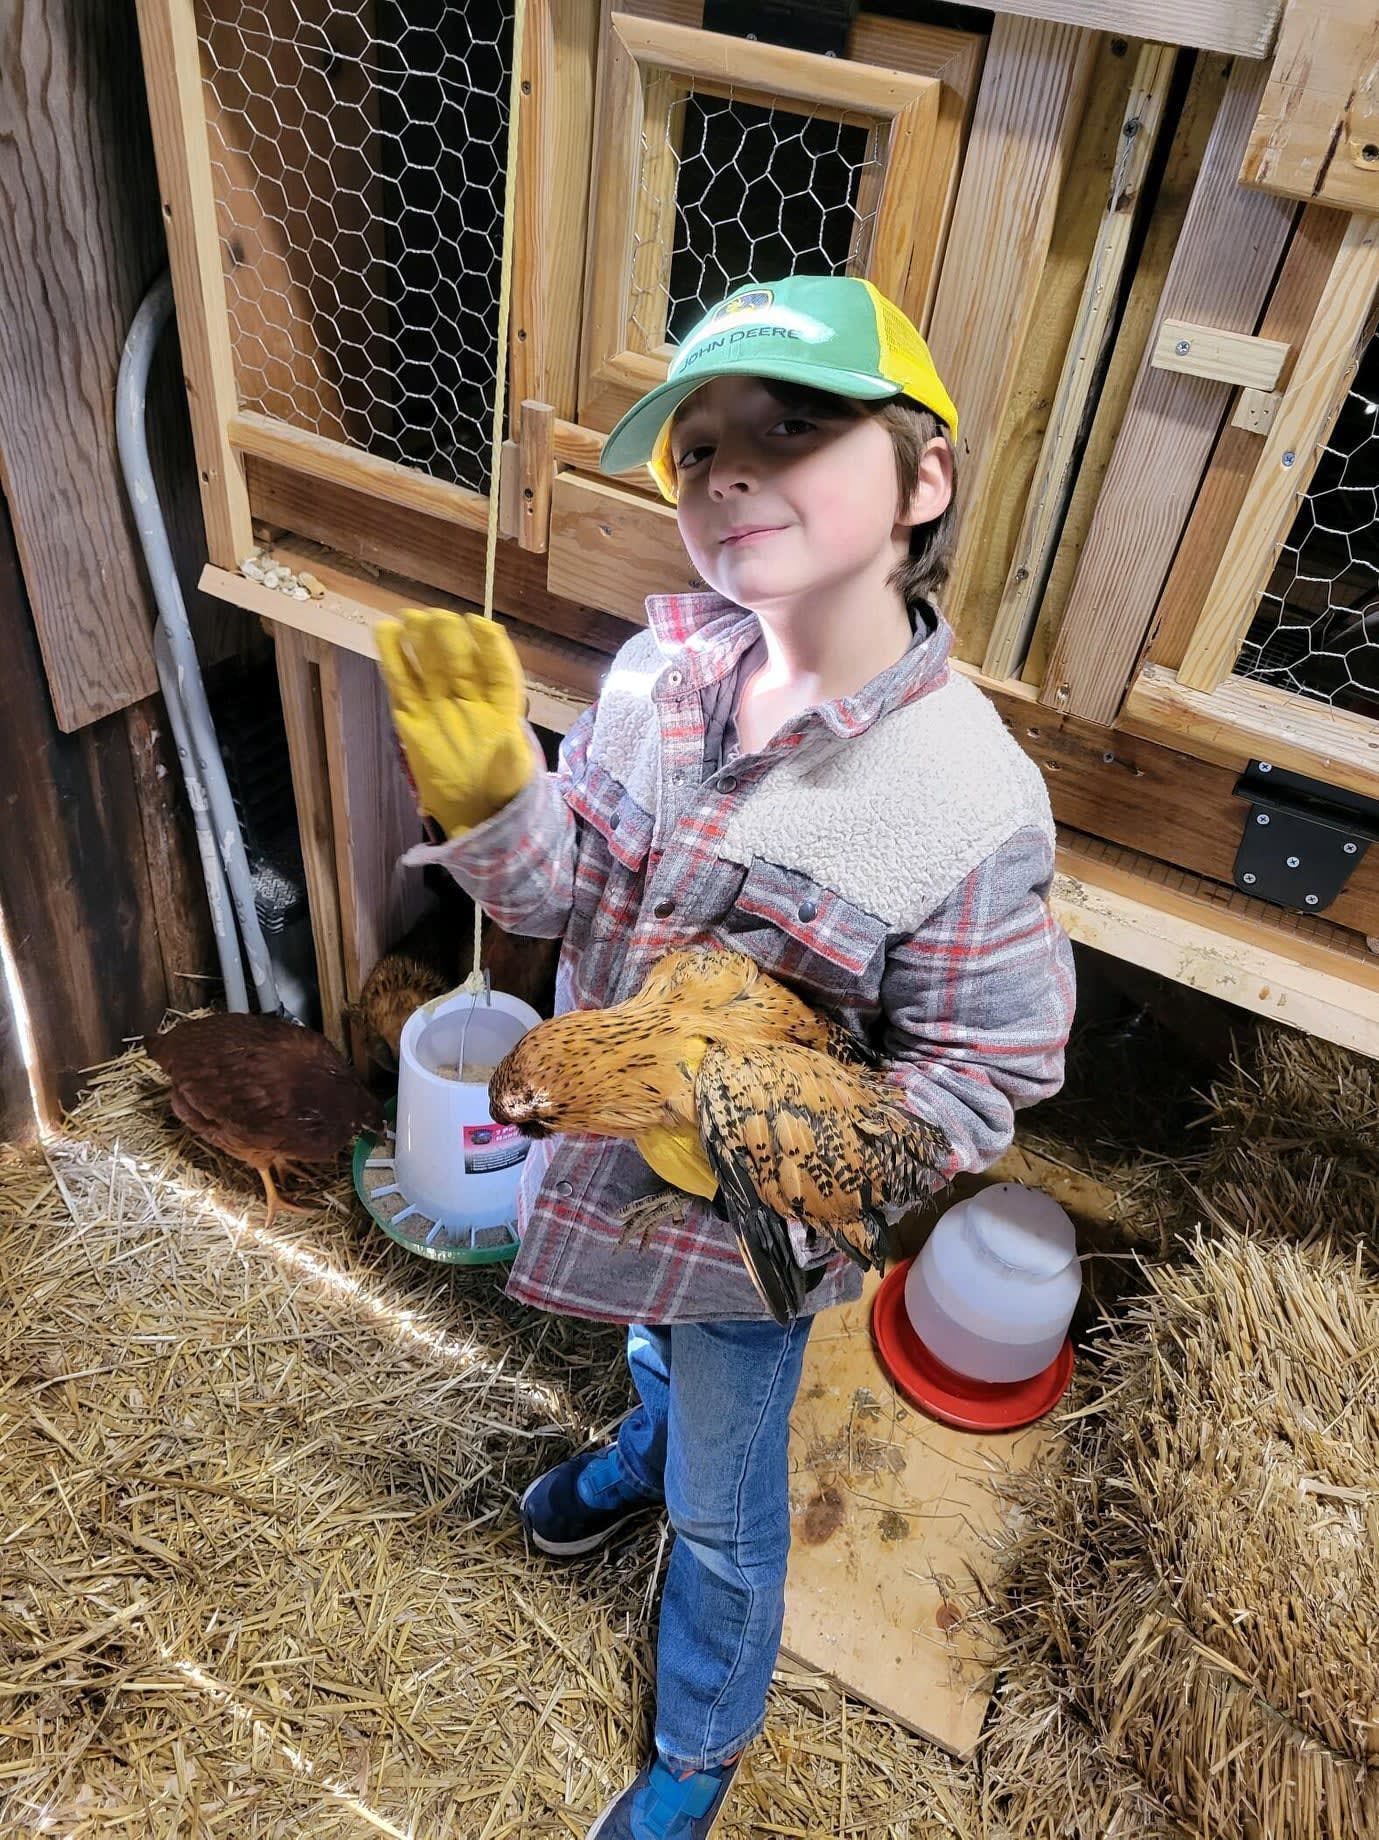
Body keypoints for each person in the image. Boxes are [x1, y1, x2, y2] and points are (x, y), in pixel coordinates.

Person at [376, 274, 1076, 1839]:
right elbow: (568, 900)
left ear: (924, 478)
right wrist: (497, 803)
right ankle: (639, 1442)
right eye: (698, 448)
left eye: (795, 426)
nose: (729, 468)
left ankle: (700, 1735)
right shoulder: (658, 675)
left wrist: (783, 1139)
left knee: (731, 1498)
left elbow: (980, 1074)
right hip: (618, 1179)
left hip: (748, 1246)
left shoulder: (967, 801)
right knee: (649, 1359)